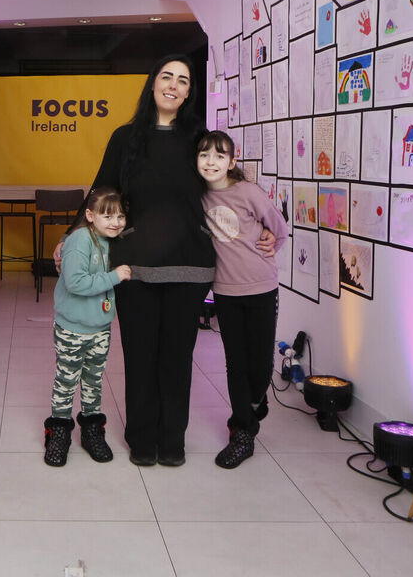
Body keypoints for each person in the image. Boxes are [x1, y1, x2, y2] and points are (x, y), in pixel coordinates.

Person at [82, 55, 216, 467]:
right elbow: (102, 189)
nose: (173, 85)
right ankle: (142, 440)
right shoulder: (126, 138)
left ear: (190, 91)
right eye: (166, 77)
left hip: (190, 265)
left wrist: (262, 224)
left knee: (176, 359)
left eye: (183, 80)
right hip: (134, 267)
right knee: (139, 357)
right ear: (152, 83)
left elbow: (227, 184)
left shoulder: (199, 138)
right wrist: (75, 240)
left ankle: (172, 440)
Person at [197, 131, 288, 468]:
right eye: (204, 155)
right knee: (235, 363)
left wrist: (271, 244)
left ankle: (254, 401)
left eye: (220, 156)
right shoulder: (198, 196)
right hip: (225, 291)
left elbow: (279, 228)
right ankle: (243, 432)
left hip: (263, 287)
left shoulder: (248, 192)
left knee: (261, 364)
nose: (211, 161)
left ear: (232, 162)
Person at [43, 187, 131, 466]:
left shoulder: (115, 241)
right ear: (90, 215)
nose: (115, 222)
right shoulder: (80, 239)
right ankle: (58, 430)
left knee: (93, 381)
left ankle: (92, 429)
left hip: (100, 328)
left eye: (120, 216)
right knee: (67, 381)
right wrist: (114, 277)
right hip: (72, 327)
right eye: (107, 216)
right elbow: (76, 282)